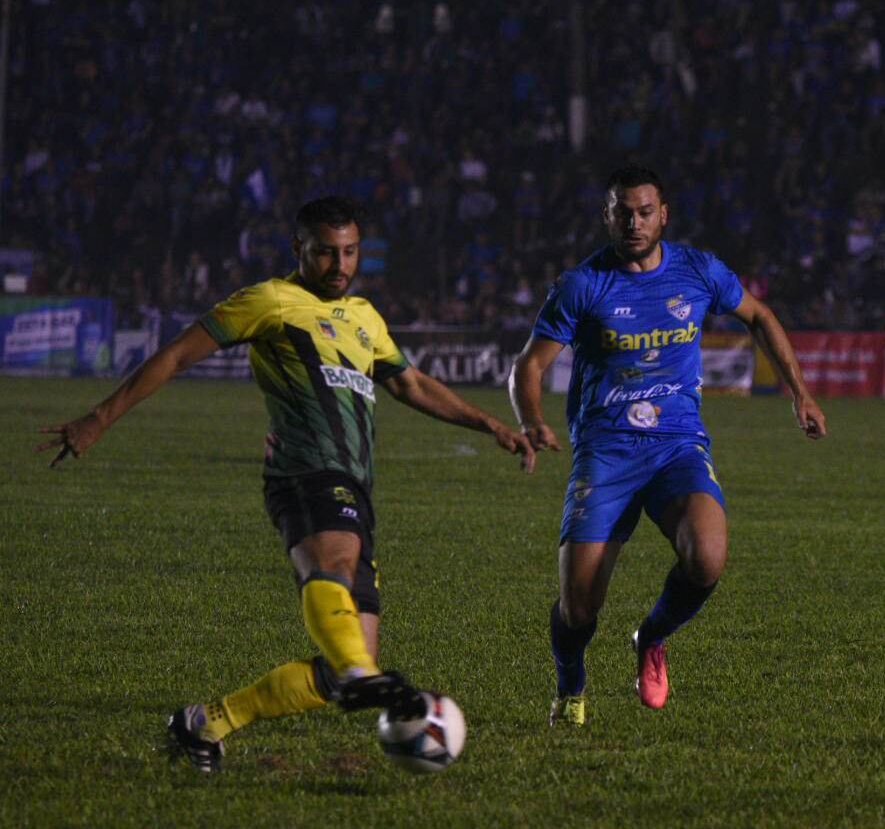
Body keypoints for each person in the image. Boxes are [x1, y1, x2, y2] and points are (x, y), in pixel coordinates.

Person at [38, 196, 536, 772]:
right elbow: (177, 355)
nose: (339, 264)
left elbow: (412, 384)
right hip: (304, 472)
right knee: (338, 581)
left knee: (341, 668)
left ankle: (207, 722)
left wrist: (491, 424)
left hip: (355, 485)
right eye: (325, 252)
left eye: (350, 252)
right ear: (299, 248)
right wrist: (99, 418)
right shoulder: (270, 301)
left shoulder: (365, 316)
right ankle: (358, 672)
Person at [508, 166, 826, 727]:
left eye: (645, 212)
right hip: (605, 452)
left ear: (664, 215)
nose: (634, 223)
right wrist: (532, 420)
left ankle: (651, 637)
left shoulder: (698, 271)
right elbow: (528, 367)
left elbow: (759, 315)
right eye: (623, 213)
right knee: (580, 607)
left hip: (676, 445)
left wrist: (799, 392)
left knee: (707, 558)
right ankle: (571, 685)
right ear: (608, 217)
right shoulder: (583, 285)